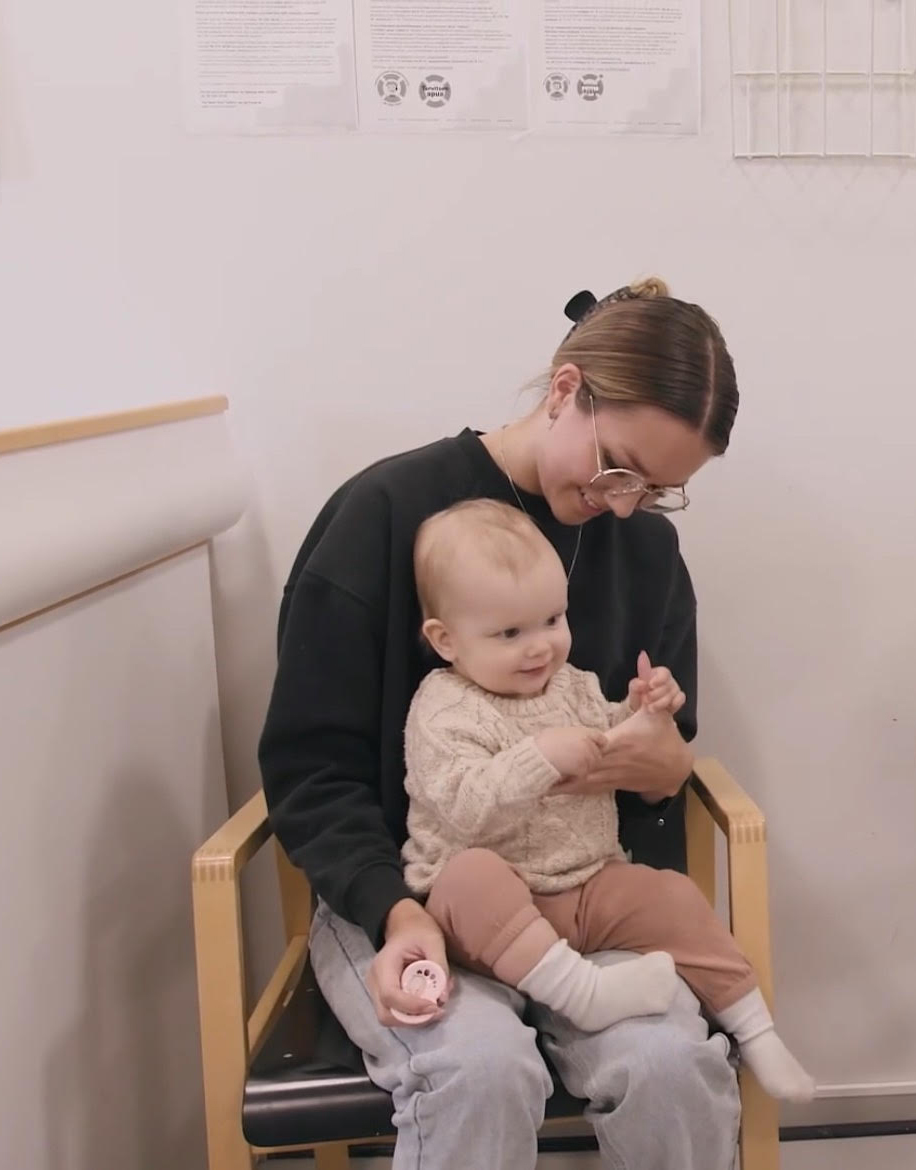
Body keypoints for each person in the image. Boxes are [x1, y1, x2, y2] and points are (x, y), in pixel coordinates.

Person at [259, 278, 744, 1170]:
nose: (627, 503)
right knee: (479, 1070)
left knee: (673, 1063)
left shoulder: (643, 551)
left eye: (659, 489)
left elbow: (668, 755)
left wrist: (660, 762)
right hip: (405, 891)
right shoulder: (383, 515)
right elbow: (309, 771)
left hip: (583, 892)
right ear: (565, 391)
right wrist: (394, 911)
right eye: (617, 468)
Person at [398, 498, 813, 1099]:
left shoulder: (570, 684)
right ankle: (582, 996)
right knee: (467, 877)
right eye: (510, 633)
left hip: (587, 886)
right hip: (491, 919)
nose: (540, 647)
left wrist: (644, 712)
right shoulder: (442, 708)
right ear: (446, 641)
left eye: (551, 620)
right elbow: (463, 802)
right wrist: (540, 756)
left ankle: (755, 1029)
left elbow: (609, 741)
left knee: (669, 895)